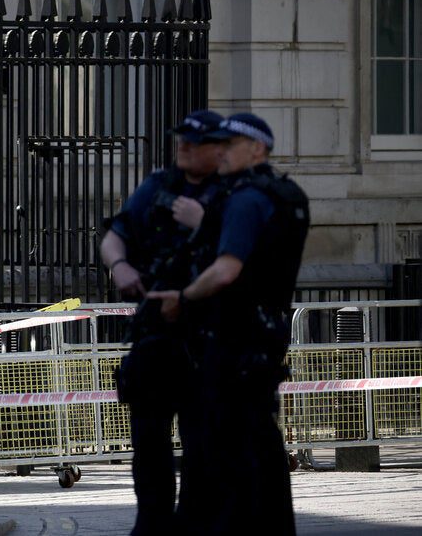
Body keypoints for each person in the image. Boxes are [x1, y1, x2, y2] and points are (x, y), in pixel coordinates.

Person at [148, 113, 309, 535]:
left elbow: (226, 270)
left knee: (225, 450)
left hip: (233, 338)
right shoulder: (286, 194)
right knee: (262, 445)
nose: (220, 151)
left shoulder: (245, 199)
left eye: (230, 144)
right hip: (267, 334)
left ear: (256, 149)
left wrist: (183, 297)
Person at [100, 109, 225, 535]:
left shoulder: (233, 191)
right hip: (155, 334)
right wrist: (118, 265)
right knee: (149, 445)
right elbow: (116, 232)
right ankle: (151, 525)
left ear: (217, 148)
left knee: (202, 449)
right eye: (180, 141)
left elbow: (249, 253)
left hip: (206, 338)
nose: (184, 148)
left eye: (195, 142)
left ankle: (193, 525)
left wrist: (204, 222)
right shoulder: (158, 185)